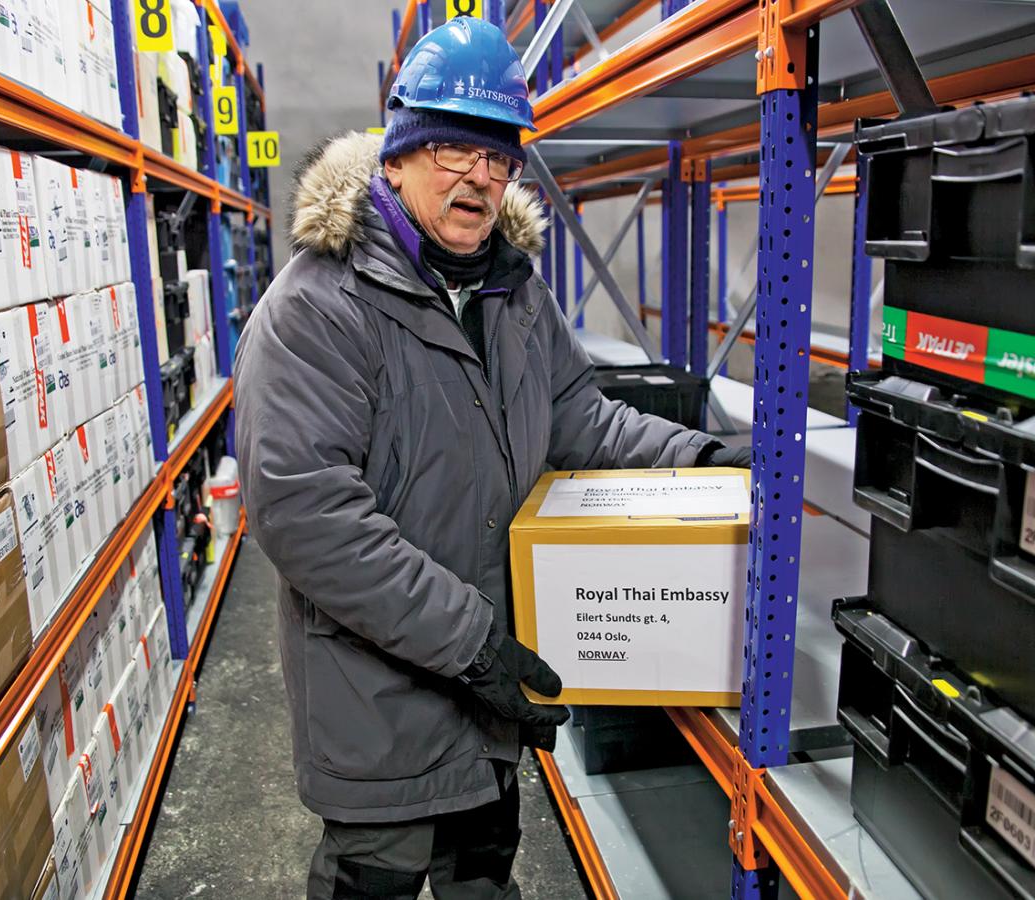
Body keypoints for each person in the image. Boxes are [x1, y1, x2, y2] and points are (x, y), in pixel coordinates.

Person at [234, 17, 750, 899]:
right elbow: (308, 516)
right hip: (381, 707)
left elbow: (583, 422)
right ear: (398, 154)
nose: (478, 175)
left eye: (500, 156)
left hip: (491, 703)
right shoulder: (315, 310)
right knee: (374, 884)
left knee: (483, 878)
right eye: (452, 148)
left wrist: (702, 459)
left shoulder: (516, 295)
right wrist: (473, 642)